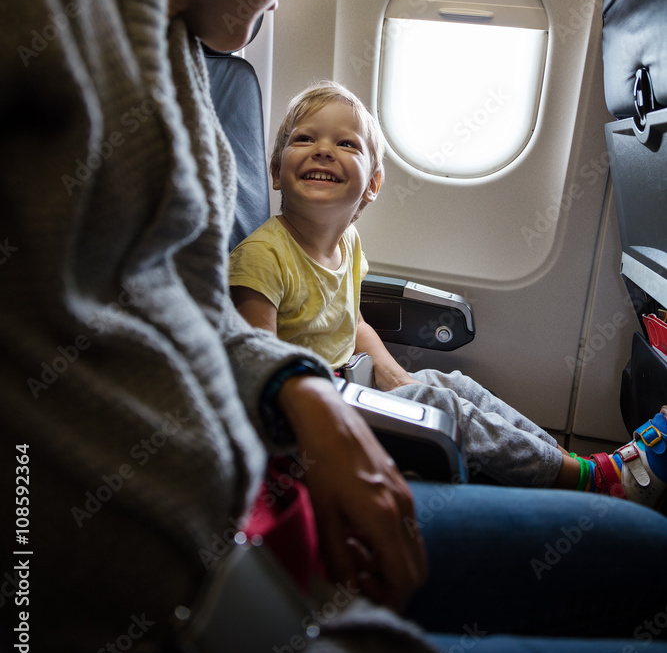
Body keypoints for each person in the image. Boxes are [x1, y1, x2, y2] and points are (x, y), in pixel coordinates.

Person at [0, 0, 666, 653]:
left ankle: (599, 478)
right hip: (152, 593)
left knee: (647, 563)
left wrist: (296, 391)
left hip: (245, 528)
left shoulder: (182, 48)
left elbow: (182, 316)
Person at [229, 81, 667, 506]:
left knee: (453, 384)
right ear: (274, 172)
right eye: (304, 138)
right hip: (315, 422)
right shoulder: (263, 257)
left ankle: (566, 464)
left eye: (347, 144)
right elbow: (256, 363)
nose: (323, 149)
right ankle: (595, 480)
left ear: (372, 186)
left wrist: (394, 375)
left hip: (353, 389)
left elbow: (354, 323)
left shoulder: (348, 243)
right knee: (438, 403)